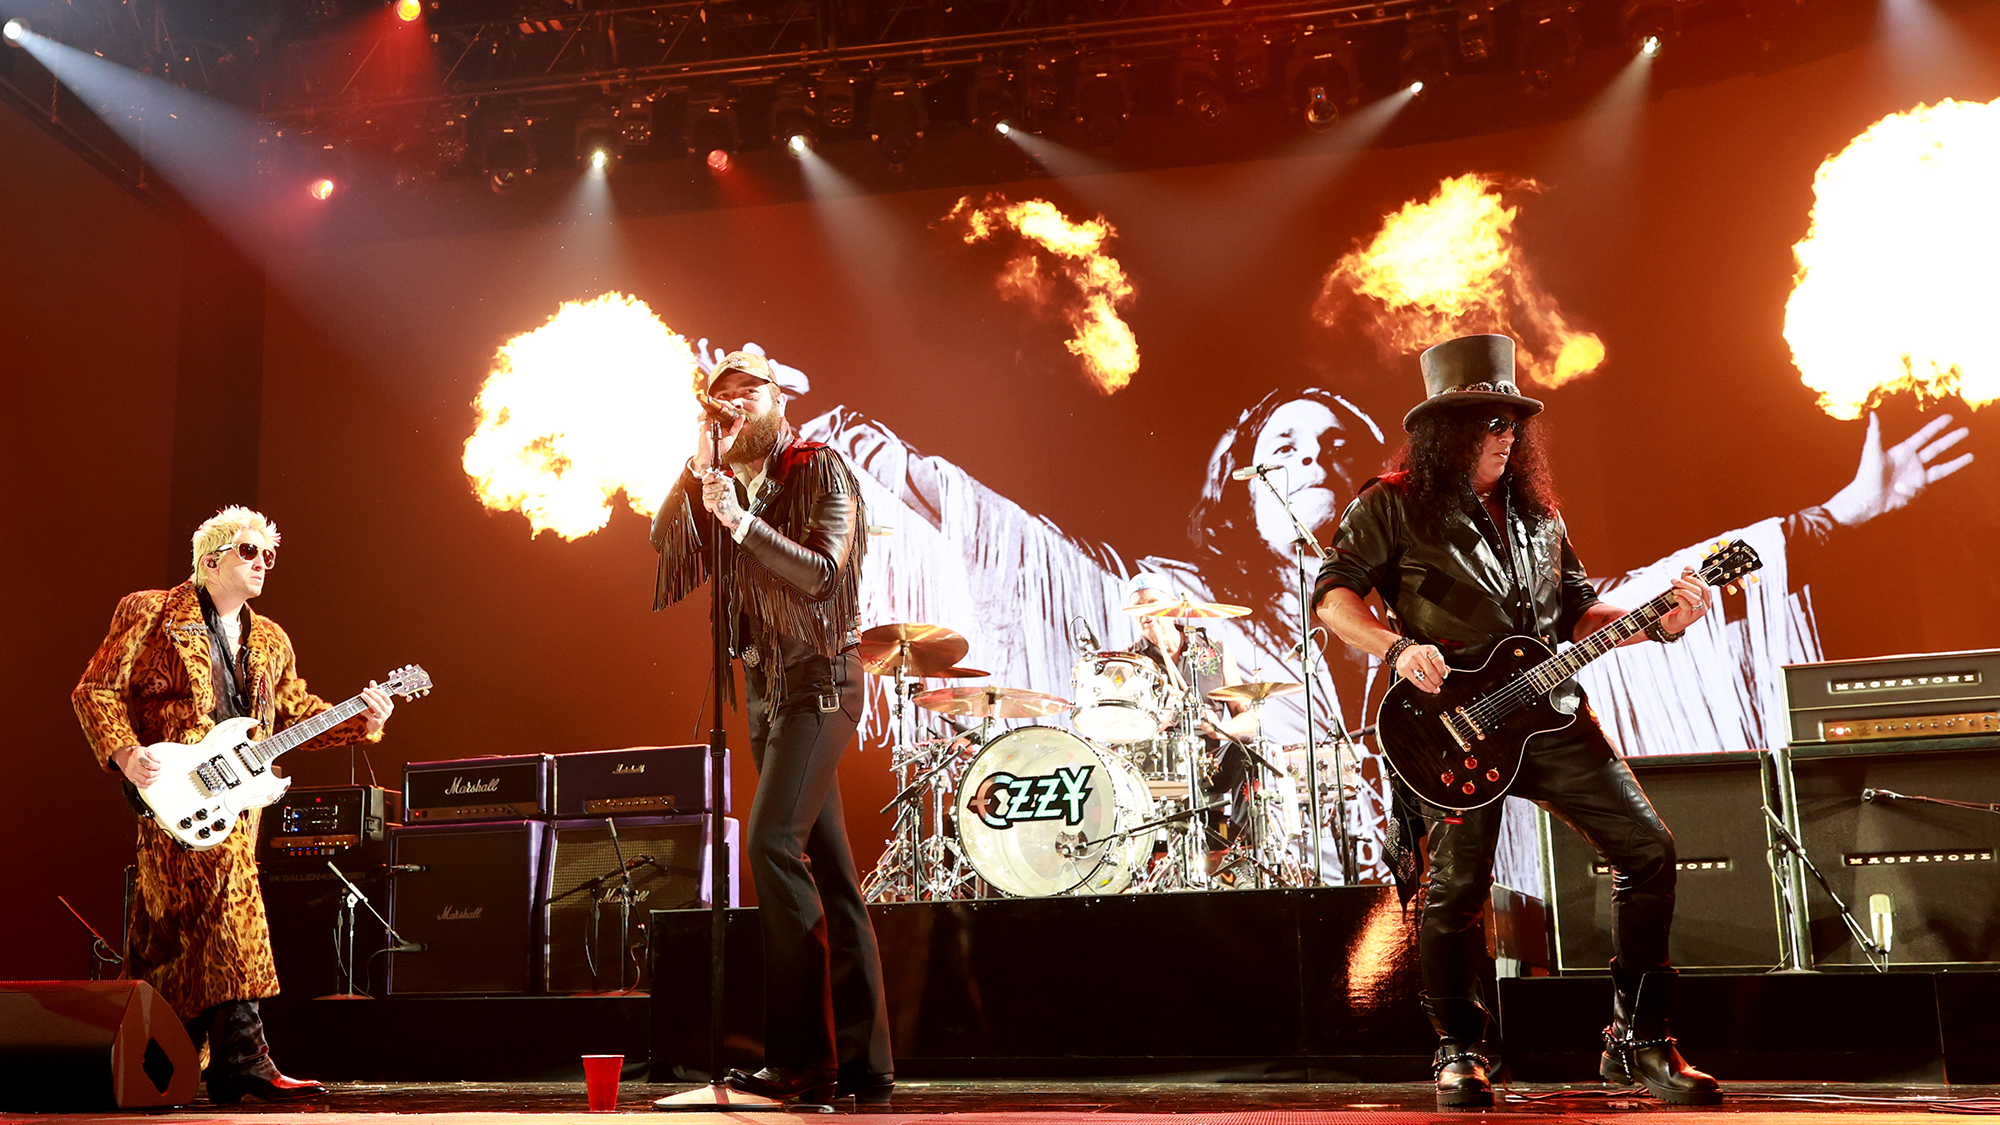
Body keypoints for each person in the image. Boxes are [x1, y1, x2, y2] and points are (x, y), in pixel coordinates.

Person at [1313, 334, 1722, 1109]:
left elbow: (1578, 613)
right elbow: (1333, 600)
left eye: (1512, 422)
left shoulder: (1540, 517)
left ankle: (1638, 1039)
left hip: (1551, 717)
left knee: (1648, 849)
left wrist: (1659, 619)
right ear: (1445, 431)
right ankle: (1460, 1048)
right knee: (1457, 886)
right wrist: (1397, 648)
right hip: (1451, 721)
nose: (1505, 435)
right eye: (1488, 422)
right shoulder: (1390, 504)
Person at [72, 507, 394, 1104]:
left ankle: (159, 1057)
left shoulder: (270, 639)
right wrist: (125, 752)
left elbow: (297, 713)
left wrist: (363, 719)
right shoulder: (150, 612)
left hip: (238, 806)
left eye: (269, 555)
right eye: (249, 551)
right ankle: (245, 1058)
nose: (262, 563)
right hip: (171, 792)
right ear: (211, 559)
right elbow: (95, 689)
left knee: (179, 936)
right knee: (229, 904)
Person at [650, 351, 893, 1105]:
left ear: (778, 400)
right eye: (718, 395)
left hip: (820, 682)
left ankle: (804, 1060)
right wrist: (696, 470)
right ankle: (866, 1062)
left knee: (770, 844)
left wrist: (739, 520)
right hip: (766, 691)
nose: (730, 403)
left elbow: (821, 572)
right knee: (833, 872)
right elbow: (667, 546)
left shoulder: (819, 468)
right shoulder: (723, 480)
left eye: (745, 393)